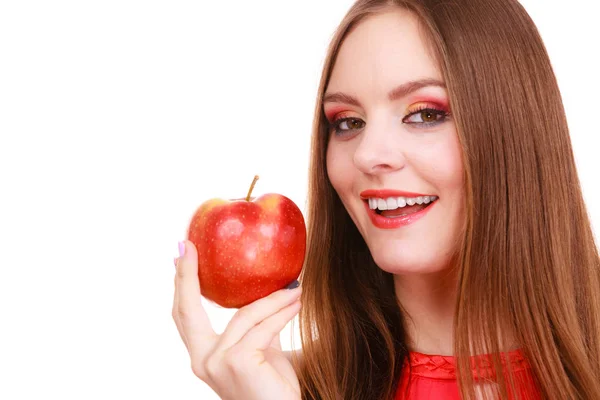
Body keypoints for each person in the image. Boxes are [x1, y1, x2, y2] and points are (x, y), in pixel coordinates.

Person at [172, 0, 600, 399]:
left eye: (425, 114)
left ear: (515, 131)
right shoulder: (278, 387)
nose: (367, 154)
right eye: (348, 121)